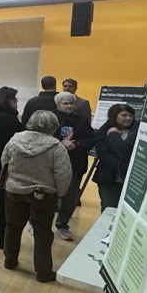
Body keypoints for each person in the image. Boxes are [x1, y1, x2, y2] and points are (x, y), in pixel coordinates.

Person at [1, 110, 72, 283]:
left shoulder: (15, 139)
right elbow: (63, 174)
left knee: (12, 227)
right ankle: (43, 272)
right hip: (43, 194)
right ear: (53, 126)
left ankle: (10, 260)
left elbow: (4, 160)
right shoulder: (56, 147)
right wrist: (60, 193)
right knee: (42, 233)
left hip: (14, 191)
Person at [52, 91, 95, 240]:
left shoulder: (81, 119)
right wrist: (60, 142)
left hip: (75, 163)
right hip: (53, 163)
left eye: (71, 103)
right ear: (58, 105)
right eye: (65, 103)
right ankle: (37, 223)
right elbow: (43, 137)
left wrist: (76, 144)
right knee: (49, 196)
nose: (69, 106)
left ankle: (62, 225)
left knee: (70, 198)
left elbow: (90, 139)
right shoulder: (51, 117)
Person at [0, 86, 25, 249]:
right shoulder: (4, 118)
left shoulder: (0, 115)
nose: (16, 103)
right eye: (14, 100)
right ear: (6, 101)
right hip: (1, 167)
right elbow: (22, 135)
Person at [93, 104, 138, 210]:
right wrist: (120, 165)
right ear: (114, 116)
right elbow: (102, 154)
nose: (128, 118)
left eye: (131, 115)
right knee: (109, 208)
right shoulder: (104, 130)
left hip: (132, 179)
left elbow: (128, 151)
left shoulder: (137, 131)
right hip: (109, 177)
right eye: (124, 115)